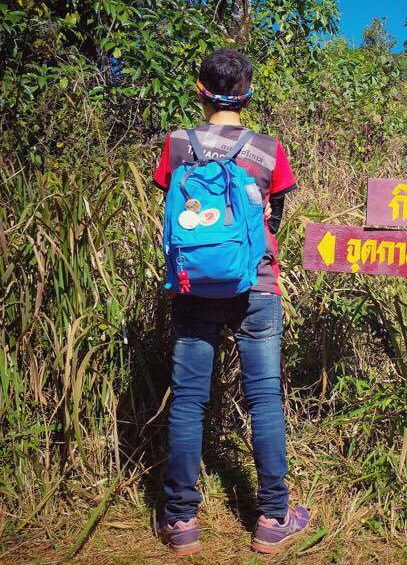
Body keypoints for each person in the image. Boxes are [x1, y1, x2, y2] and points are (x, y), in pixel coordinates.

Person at [152, 48, 308, 555]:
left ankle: (181, 521)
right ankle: (273, 517)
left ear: (200, 91)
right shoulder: (268, 148)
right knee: (264, 397)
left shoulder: (178, 144)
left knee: (188, 399)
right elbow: (274, 215)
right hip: (257, 285)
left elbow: (173, 206)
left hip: (192, 286)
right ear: (247, 95)